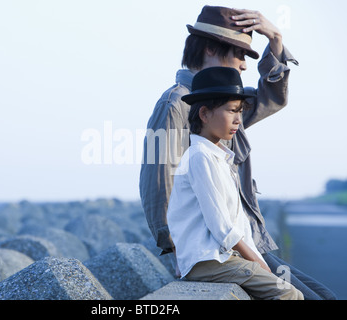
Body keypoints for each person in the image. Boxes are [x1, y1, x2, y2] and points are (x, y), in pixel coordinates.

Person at [139, 5, 337, 299]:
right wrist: (174, 249)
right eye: (239, 53)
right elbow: (157, 181)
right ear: (209, 49)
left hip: (245, 241)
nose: (244, 65)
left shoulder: (224, 101)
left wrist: (276, 41)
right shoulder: (176, 104)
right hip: (218, 250)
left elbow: (272, 99)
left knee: (323, 295)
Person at [167, 66, 303, 300]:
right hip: (209, 261)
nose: (238, 120)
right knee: (289, 294)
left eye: (240, 111)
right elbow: (219, 223)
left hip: (219, 258)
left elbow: (234, 222)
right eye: (232, 111)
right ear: (204, 114)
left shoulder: (217, 157)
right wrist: (257, 261)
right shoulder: (200, 156)